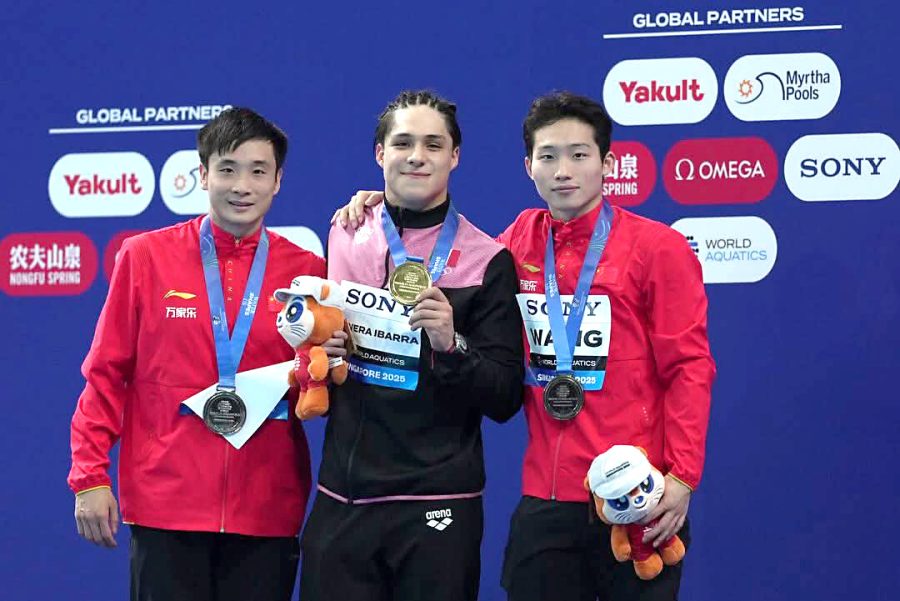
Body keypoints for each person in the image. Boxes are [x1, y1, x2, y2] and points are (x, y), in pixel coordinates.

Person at [333, 91, 716, 601]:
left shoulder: (657, 248)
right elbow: (450, 245)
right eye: (548, 156)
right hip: (546, 496)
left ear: (607, 164)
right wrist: (385, 206)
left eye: (579, 155)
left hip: (636, 491)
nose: (564, 170)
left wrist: (682, 478)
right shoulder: (516, 243)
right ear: (528, 167)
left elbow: (689, 367)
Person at [68, 107, 324, 601]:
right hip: (166, 505)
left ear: (278, 182)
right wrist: (89, 476)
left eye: (258, 171)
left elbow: (321, 373)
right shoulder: (145, 257)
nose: (242, 186)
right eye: (227, 169)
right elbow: (105, 374)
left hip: (267, 507)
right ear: (202, 174)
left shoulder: (307, 271)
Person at [298, 90, 524, 601]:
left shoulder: (489, 261)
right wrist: (325, 348)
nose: (417, 155)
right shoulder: (345, 231)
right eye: (402, 143)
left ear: (455, 156)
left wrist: (452, 344)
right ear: (380, 154)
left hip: (439, 499)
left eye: (432, 143)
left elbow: (507, 396)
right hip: (346, 496)